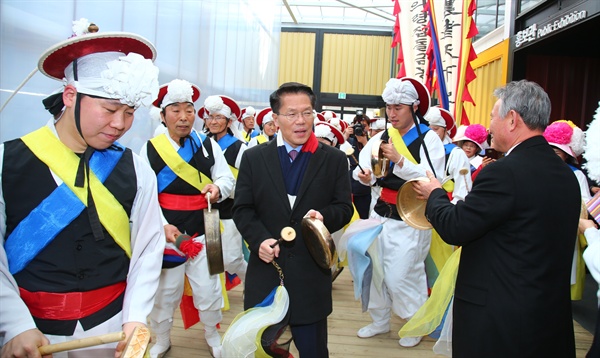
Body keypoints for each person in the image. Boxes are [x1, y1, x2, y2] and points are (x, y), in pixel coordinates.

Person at [0, 20, 165, 357]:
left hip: (111, 328)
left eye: (129, 112)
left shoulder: (135, 168)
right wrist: (14, 323)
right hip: (29, 332)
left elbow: (149, 247)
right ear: (70, 96)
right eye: (109, 109)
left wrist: (135, 317)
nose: (120, 124)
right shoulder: (6, 160)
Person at [412, 80, 580, 357]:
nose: (489, 124)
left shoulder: (503, 172)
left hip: (499, 322)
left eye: (492, 115)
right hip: (548, 318)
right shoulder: (565, 175)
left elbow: (456, 228)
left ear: (512, 119)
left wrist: (435, 194)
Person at [232, 82, 353, 357]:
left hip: (311, 275)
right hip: (267, 272)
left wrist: (324, 218)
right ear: (275, 119)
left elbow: (344, 207)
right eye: (291, 114)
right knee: (263, 347)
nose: (301, 121)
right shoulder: (254, 158)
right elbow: (243, 209)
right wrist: (259, 239)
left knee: (313, 350)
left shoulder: (333, 159)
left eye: (307, 113)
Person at [140, 80, 235, 358]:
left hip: (207, 227)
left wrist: (218, 189)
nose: (183, 117)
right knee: (165, 292)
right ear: (162, 114)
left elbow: (226, 178)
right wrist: (162, 226)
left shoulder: (207, 145)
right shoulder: (149, 149)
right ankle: (161, 338)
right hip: (167, 233)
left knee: (209, 289)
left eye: (189, 110)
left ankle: (212, 334)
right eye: (175, 110)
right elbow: (145, 196)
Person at [352, 77, 445, 348]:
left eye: (398, 108)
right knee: (375, 269)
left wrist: (400, 161)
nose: (392, 113)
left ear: (414, 107)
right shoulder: (381, 136)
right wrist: (365, 176)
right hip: (379, 213)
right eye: (389, 107)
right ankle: (380, 320)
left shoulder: (428, 138)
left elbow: (433, 178)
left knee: (403, 274)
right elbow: (368, 171)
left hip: (411, 218)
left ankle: (415, 322)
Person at [202, 95, 248, 283]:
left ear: (229, 122)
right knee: (208, 258)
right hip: (205, 209)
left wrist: (225, 190)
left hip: (229, 209)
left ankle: (252, 282)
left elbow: (246, 182)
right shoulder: (201, 144)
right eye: (210, 117)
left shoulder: (240, 148)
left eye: (219, 117)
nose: (213, 121)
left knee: (231, 259)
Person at [426, 106, 472, 203]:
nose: (430, 133)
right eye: (427, 129)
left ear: (445, 131)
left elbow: (462, 193)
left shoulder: (456, 154)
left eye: (435, 129)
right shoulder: (420, 149)